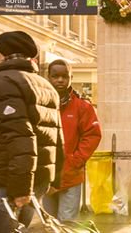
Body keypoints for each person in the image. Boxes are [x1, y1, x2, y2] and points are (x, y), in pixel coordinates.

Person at [0, 31, 63, 233]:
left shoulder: (4, 82)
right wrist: (55, 178)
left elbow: (20, 136)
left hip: (11, 178)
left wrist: (20, 189)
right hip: (38, 177)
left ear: (4, 54)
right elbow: (57, 137)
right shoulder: (45, 85)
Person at [44, 59, 102, 222]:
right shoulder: (41, 105)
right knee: (49, 223)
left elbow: (92, 135)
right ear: (49, 77)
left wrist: (75, 160)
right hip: (47, 177)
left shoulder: (83, 107)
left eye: (64, 76)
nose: (60, 80)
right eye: (55, 76)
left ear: (71, 78)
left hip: (71, 175)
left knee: (67, 223)